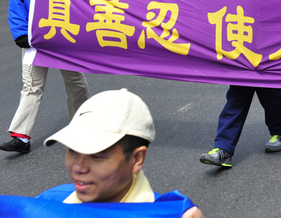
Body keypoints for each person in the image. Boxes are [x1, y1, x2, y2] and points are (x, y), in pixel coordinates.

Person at [201, 0, 281, 167]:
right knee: (235, 100)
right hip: (241, 52)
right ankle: (223, 148)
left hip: (267, 55)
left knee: (272, 98)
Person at [36, 89, 203, 217]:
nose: (78, 167)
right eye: (73, 150)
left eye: (96, 156)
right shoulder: (48, 202)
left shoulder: (170, 213)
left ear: (136, 159)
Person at [0, 0, 89, 155]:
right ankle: (21, 137)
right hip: (34, 35)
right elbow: (17, 2)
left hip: (64, 32)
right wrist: (20, 32)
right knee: (31, 84)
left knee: (74, 82)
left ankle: (82, 126)